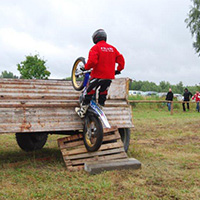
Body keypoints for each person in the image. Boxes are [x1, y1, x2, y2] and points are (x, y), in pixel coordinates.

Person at [75, 29, 125, 118]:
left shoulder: (95, 48)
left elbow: (93, 61)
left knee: (89, 92)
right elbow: (121, 60)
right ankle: (100, 107)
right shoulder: (113, 48)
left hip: (97, 76)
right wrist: (118, 69)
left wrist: (86, 67)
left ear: (95, 38)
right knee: (103, 92)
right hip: (109, 76)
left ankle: (82, 111)